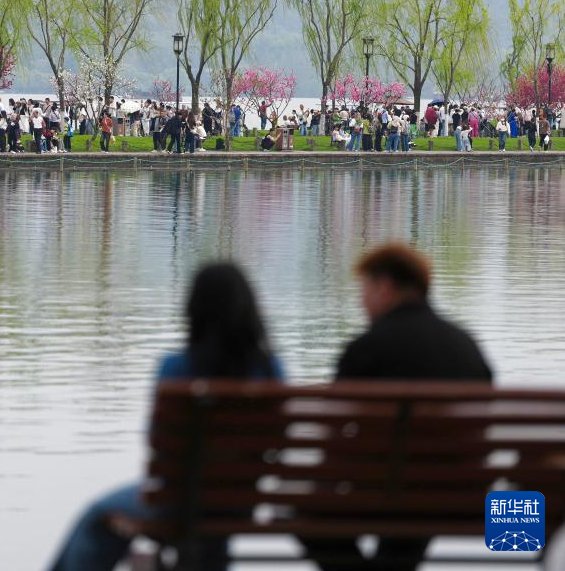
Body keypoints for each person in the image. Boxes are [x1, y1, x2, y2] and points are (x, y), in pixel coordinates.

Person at [48, 263, 282, 571]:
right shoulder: (271, 371)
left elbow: (157, 441)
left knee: (97, 514)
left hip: (178, 503)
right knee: (209, 519)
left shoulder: (177, 367)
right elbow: (277, 443)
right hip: (240, 504)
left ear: (193, 308)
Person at [304, 244, 491, 571]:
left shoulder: (366, 348)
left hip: (384, 490)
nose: (361, 300)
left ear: (385, 287)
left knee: (302, 513)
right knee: (415, 502)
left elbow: (333, 435)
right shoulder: (465, 345)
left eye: (364, 289)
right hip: (461, 493)